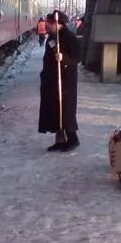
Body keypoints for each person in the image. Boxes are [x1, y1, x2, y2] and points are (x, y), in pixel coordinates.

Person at [38, 10, 81, 151]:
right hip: (52, 80)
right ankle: (60, 139)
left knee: (65, 110)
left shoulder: (69, 37)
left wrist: (64, 59)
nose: (47, 25)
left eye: (50, 23)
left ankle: (73, 139)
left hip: (65, 81)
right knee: (55, 111)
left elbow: (77, 57)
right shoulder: (52, 37)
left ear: (58, 23)